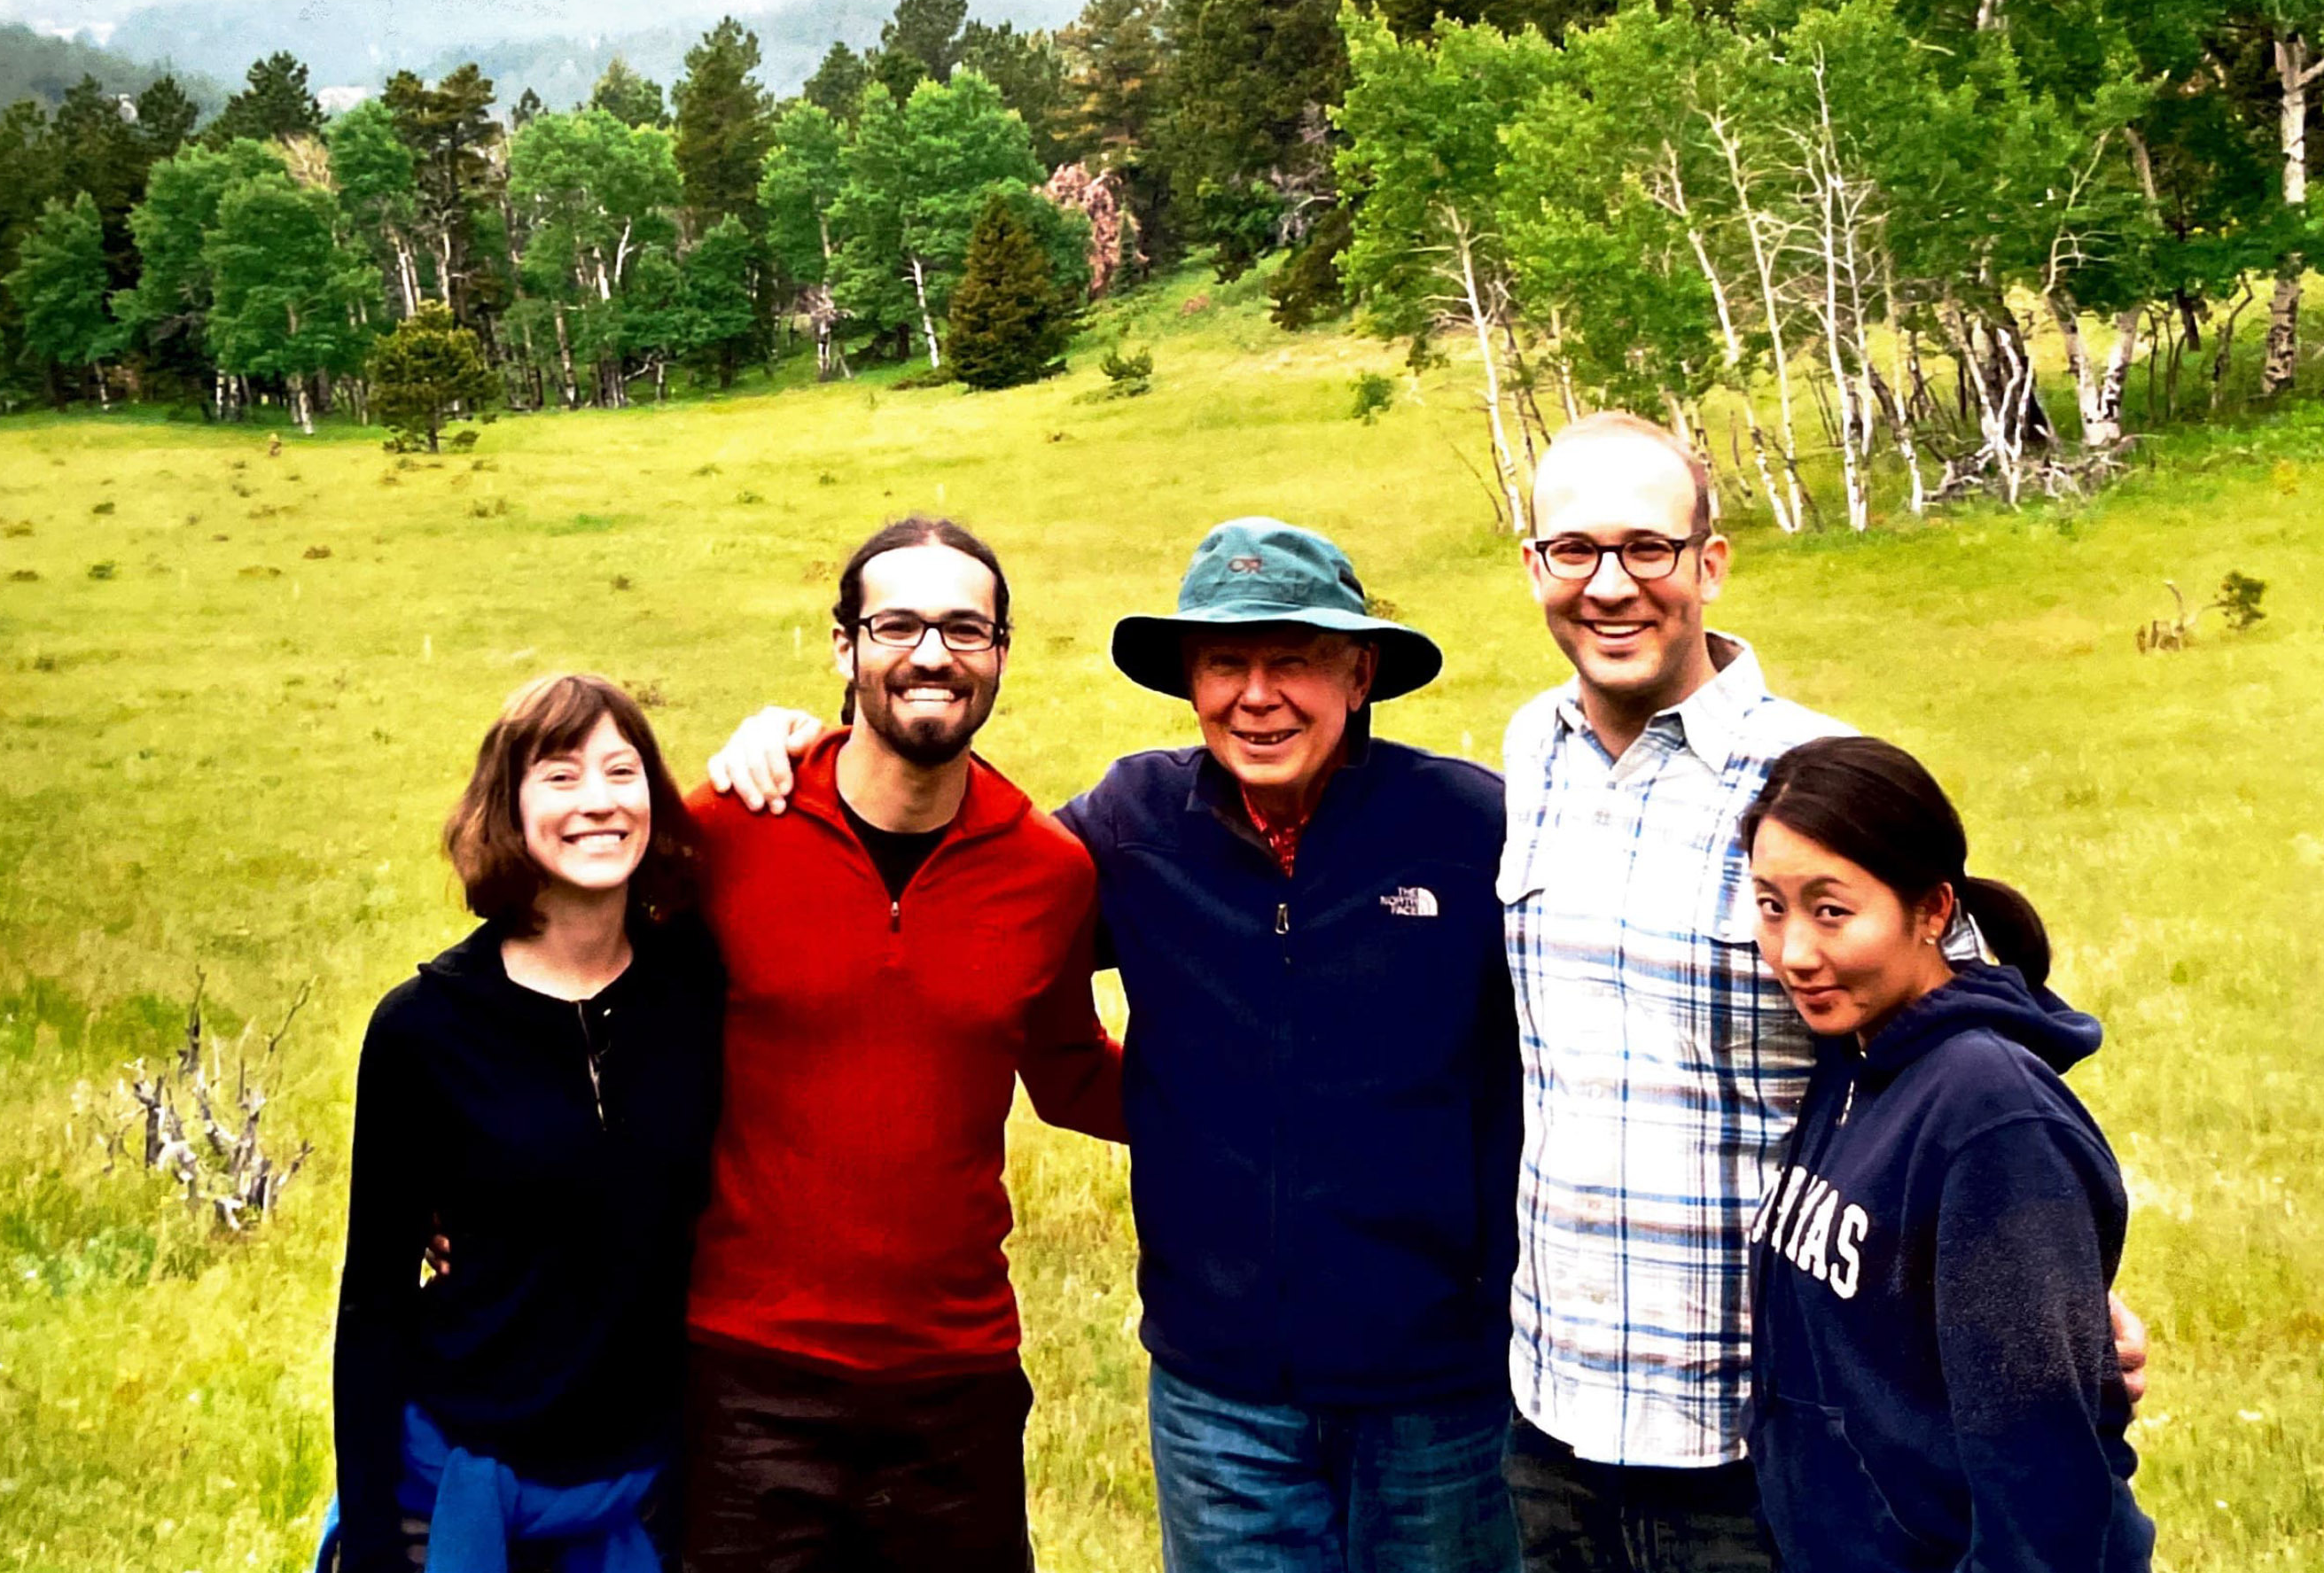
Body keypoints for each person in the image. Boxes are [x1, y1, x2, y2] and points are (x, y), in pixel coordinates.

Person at [709, 517, 1524, 1573]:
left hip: (1442, 1389)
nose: (1257, 693)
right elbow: (966, 891)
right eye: (1226, 661)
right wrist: (796, 750)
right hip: (1219, 1388)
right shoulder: (1132, 824)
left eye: (1296, 660)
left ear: (1360, 672)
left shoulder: (1473, 829)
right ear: (1190, 681)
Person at [1498, 413, 2147, 1571]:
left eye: (1646, 548)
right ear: (1532, 565)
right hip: (1551, 1426)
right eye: (1572, 551)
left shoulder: (1814, 781)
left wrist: (2051, 1310)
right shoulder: (1528, 753)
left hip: (1765, 1453)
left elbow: (1973, 1050)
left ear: (1709, 558)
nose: (1608, 585)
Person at [676, 516, 1125, 1573]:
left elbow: (1067, 1072)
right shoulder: (730, 827)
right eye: (899, 624)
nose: (933, 653)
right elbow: (587, 1002)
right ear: (844, 648)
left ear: (1001, 654)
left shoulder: (1047, 870)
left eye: (965, 627)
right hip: (745, 1378)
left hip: (954, 1382)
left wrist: (1266, 1091)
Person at [326, 674, 724, 1573]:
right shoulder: (424, 1029)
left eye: (622, 772)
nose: (598, 801)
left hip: (644, 1487)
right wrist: (375, 1542)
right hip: (455, 1482)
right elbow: (375, 1300)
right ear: (506, 807)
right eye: (559, 774)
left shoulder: (695, 985)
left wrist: (784, 734)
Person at [1740, 736, 2156, 1573]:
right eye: (1770, 905)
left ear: (1931, 911)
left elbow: (2043, 1480)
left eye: (1830, 911)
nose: (1793, 953)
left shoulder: (1989, 1115)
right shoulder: (1853, 1060)